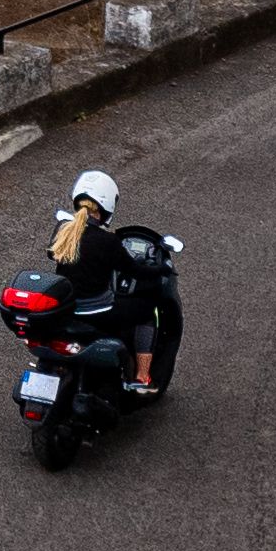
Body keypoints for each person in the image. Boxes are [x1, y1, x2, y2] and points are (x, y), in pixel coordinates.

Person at [49, 165, 182, 399]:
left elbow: (52, 254)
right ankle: (142, 376)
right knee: (146, 312)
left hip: (67, 309)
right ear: (108, 205)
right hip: (95, 310)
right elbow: (136, 270)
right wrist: (161, 267)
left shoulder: (64, 230)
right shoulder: (107, 242)